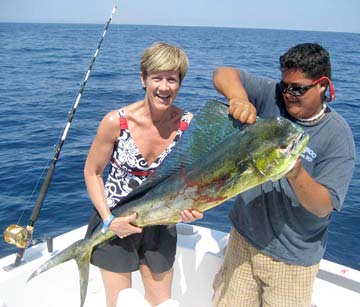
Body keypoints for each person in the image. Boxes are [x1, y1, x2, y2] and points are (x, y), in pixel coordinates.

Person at [212, 43, 355, 307]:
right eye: (285, 86)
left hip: (291, 260)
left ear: (322, 85)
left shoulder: (338, 138)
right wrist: (239, 98)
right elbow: (223, 73)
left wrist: (295, 171)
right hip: (243, 238)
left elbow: (323, 206)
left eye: (298, 88)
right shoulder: (274, 94)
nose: (288, 94)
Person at [84, 42, 203, 307]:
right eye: (157, 78)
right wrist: (108, 219)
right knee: (119, 301)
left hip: (161, 222)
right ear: (143, 79)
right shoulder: (116, 121)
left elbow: (192, 180)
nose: (164, 87)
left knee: (162, 301)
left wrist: (192, 207)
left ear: (180, 83)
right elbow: (93, 172)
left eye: (171, 79)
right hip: (116, 221)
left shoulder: (189, 126)